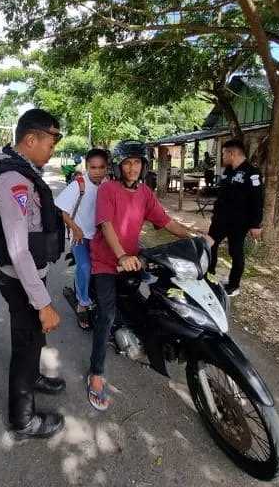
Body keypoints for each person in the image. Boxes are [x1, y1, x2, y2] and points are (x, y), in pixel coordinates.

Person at [87, 140, 201, 411]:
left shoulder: (145, 193)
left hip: (134, 259)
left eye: (137, 162)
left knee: (155, 300)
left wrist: (194, 238)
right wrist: (121, 256)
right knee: (106, 316)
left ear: (144, 165)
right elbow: (105, 225)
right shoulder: (107, 189)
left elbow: (165, 221)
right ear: (118, 166)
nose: (132, 167)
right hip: (106, 262)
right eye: (127, 162)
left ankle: (146, 343)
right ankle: (96, 373)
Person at [0, 109, 67, 440]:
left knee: (31, 339)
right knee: (26, 346)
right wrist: (42, 302)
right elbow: (18, 249)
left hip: (25, 276)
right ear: (31, 140)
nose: (53, 149)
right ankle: (23, 419)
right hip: (20, 279)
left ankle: (35, 378)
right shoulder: (13, 180)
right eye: (51, 141)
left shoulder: (22, 171)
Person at [54, 148, 110, 330]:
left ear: (107, 168)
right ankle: (82, 303)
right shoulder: (79, 184)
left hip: (101, 237)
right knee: (85, 267)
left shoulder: (108, 184)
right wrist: (76, 229)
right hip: (81, 237)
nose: (98, 171)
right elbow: (62, 212)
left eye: (101, 167)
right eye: (93, 167)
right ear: (87, 167)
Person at [207, 139, 263, 297]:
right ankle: (209, 276)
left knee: (235, 252)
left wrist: (256, 224)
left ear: (232, 153)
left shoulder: (253, 173)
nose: (222, 156)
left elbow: (257, 200)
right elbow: (222, 196)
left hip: (239, 222)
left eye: (224, 153)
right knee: (210, 245)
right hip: (220, 220)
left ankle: (233, 285)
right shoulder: (229, 171)